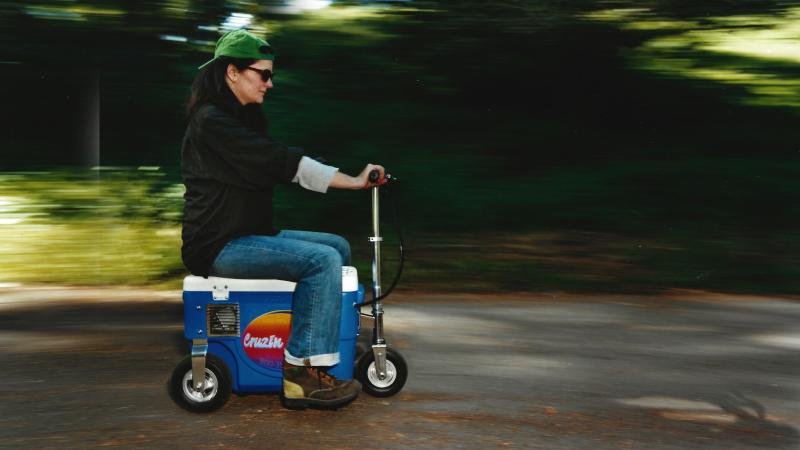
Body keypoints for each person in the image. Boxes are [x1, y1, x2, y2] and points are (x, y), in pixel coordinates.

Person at [181, 29, 384, 409]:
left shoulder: (242, 119)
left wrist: (341, 173)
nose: (270, 83)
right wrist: (352, 181)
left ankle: (325, 343)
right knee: (321, 261)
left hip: (247, 232)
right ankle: (302, 373)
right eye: (263, 74)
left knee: (336, 247)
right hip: (218, 243)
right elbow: (278, 162)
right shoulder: (212, 121)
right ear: (232, 73)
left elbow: (276, 160)